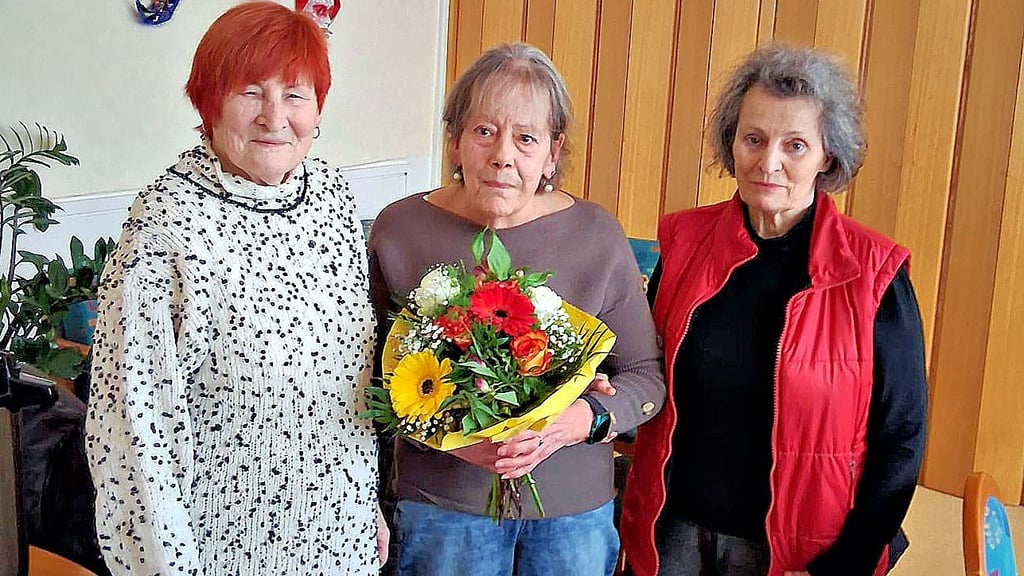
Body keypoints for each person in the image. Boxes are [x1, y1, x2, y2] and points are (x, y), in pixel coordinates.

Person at [84, 3, 387, 575]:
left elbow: (348, 383)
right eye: (250, 91)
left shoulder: (333, 197)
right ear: (208, 103)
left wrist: (365, 504)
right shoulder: (165, 225)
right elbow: (133, 426)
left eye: (295, 94)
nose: (275, 117)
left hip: (339, 537)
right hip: (222, 545)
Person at [620, 44, 928, 576]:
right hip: (670, 532)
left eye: (795, 144)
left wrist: (844, 565)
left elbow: (900, 440)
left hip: (797, 550)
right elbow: (647, 372)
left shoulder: (875, 273)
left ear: (828, 156)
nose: (769, 162)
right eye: (754, 139)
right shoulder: (684, 241)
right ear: (731, 143)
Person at [368, 42, 665, 576]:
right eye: (484, 131)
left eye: (526, 138)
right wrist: (454, 441)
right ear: (455, 141)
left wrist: (578, 420)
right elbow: (369, 379)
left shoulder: (596, 236)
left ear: (552, 154)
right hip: (442, 507)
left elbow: (646, 378)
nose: (503, 154)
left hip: (571, 513)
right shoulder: (400, 230)